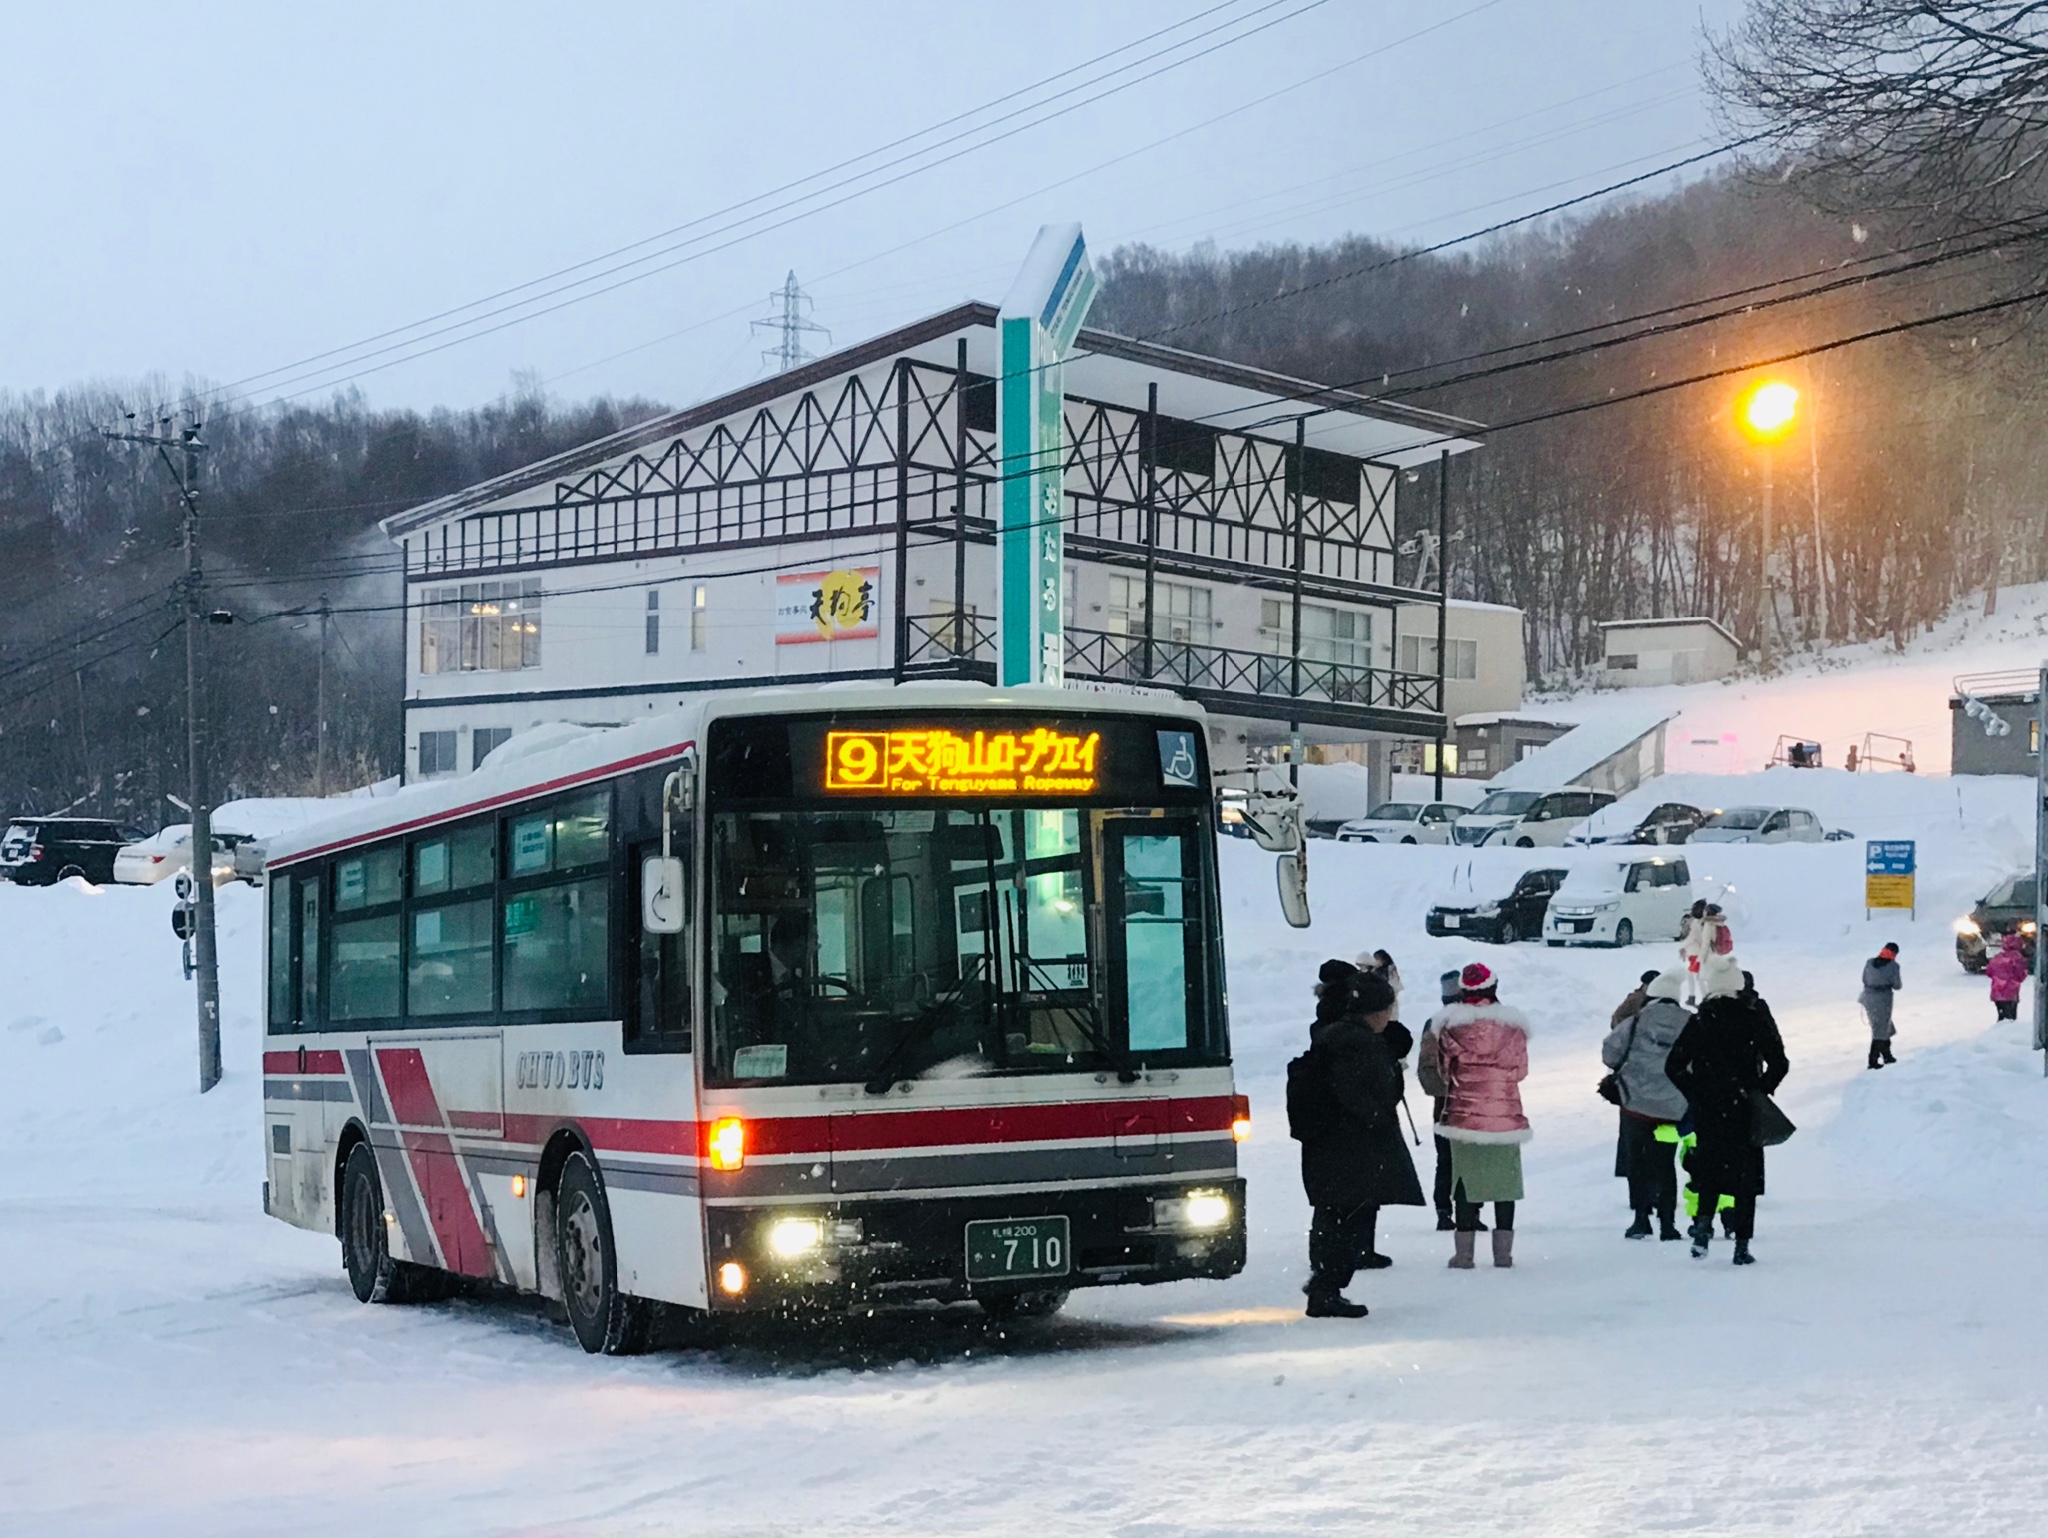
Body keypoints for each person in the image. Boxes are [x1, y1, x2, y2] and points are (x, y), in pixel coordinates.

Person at [1295, 961, 1425, 1318]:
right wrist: (1380, 1117)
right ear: (1376, 1011)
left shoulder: (1336, 1034)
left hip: (1332, 1145)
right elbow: (1372, 1095)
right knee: (1346, 1216)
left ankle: (1325, 1286)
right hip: (1352, 1148)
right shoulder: (1358, 1044)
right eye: (1387, 1010)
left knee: (1335, 1214)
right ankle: (1326, 1289)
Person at [1664, 957, 1789, 1265]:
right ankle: (1742, 1246)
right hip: (1745, 1107)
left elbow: (1673, 1066)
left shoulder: (1701, 1020)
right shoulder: (1752, 1017)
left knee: (1708, 1166)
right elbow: (1779, 1062)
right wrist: (1760, 1088)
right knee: (1745, 1175)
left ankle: (1703, 1226)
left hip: (1709, 1108)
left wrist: (1696, 1092)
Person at [1425, 961, 1530, 1269]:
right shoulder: (1513, 1027)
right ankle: (1503, 1255)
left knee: (1465, 1185)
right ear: (1493, 988)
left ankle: (1464, 1255)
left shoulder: (1450, 1026)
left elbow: (1444, 1072)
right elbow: (1521, 1071)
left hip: (1464, 1116)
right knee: (1504, 1185)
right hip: (1505, 1114)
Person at [1601, 969, 1691, 1240]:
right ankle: (1668, 1224)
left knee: (1637, 1162)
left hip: (1635, 1106)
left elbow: (1610, 1053)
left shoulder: (1636, 1021)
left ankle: (1641, 1219)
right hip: (1673, 1108)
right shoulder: (1690, 1022)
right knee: (1665, 1163)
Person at [1415, 969, 1467, 1231]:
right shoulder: (1472, 1022)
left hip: (1442, 1104)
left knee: (1445, 1159)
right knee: (1467, 1157)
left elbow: (1425, 1068)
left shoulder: (1433, 1023)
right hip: (1469, 1102)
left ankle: (1444, 1211)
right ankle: (1468, 1210)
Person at [1609, 968, 1661, 1195]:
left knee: (1634, 1139)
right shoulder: (1637, 1001)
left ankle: (1638, 1192)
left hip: (1635, 1081)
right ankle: (1649, 1189)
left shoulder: (1637, 999)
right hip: (1645, 1079)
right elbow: (1616, 1022)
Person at [1860, 942, 1902, 1069]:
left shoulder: (1869, 962)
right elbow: (1897, 985)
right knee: (1880, 1030)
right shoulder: (1894, 966)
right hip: (1883, 1000)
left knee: (1885, 1026)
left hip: (1867, 998)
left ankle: (1887, 1055)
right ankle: (1873, 1061)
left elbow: (1864, 979)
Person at [1988, 932, 2028, 1022]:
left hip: (1997, 991)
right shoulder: (2017, 958)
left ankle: (2000, 1030)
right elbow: (2020, 974)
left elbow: (1989, 971)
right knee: (2011, 1016)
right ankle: (2008, 1032)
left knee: (2001, 1014)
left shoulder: (1997, 957)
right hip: (2011, 992)